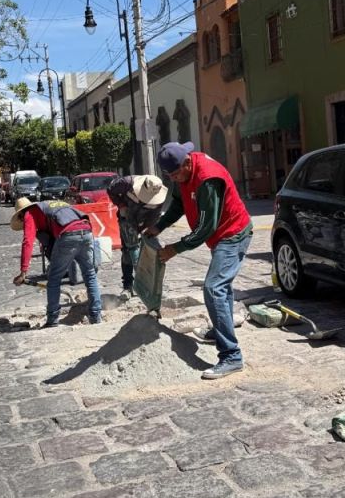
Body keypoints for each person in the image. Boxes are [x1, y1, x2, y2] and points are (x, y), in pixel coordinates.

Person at [145, 141, 252, 380]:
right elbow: (179, 204)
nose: (174, 179)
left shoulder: (207, 179)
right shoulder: (183, 173)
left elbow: (206, 227)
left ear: (187, 162)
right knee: (222, 289)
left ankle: (231, 356)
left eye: (175, 174)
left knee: (214, 289)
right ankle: (221, 330)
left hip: (232, 234)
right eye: (169, 176)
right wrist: (159, 226)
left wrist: (175, 249)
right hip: (220, 236)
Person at [10, 198, 103, 326]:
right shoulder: (52, 205)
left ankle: (52, 319)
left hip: (68, 235)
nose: (23, 222)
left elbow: (27, 242)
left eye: (21, 219)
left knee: (54, 279)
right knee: (90, 275)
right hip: (86, 230)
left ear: (21, 214)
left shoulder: (29, 213)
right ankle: (96, 315)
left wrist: (23, 272)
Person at [105, 175, 168, 291]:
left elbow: (153, 216)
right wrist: (121, 205)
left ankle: (150, 284)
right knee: (128, 251)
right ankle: (128, 285)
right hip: (126, 217)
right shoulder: (126, 183)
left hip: (142, 221)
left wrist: (146, 228)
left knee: (150, 249)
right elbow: (110, 190)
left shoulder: (159, 197)